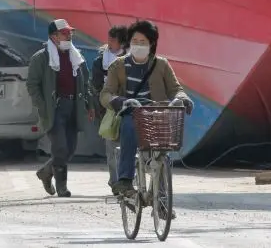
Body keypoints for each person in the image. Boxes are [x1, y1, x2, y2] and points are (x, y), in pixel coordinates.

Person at [100, 19, 193, 197]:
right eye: (135, 41)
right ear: (129, 42)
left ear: (151, 44)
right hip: (132, 113)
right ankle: (125, 179)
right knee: (129, 127)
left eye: (143, 42)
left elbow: (176, 89)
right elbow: (105, 93)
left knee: (163, 151)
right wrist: (118, 101)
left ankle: (161, 194)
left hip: (157, 114)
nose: (138, 45)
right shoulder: (118, 65)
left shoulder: (162, 65)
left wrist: (183, 99)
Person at [26, 18, 96, 198]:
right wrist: (42, 106)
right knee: (60, 148)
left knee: (70, 148)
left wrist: (89, 104)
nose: (69, 36)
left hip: (74, 106)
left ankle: (45, 172)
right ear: (54, 37)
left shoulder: (76, 56)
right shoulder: (41, 58)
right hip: (55, 108)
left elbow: (86, 83)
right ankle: (62, 187)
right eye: (64, 33)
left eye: (70, 33)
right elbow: (32, 85)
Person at [91, 25, 128, 195]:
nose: (109, 42)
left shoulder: (131, 59)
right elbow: (96, 86)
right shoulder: (100, 62)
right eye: (109, 39)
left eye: (113, 40)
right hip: (109, 110)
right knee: (112, 146)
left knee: (128, 146)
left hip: (129, 107)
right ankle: (115, 182)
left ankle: (127, 179)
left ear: (122, 42)